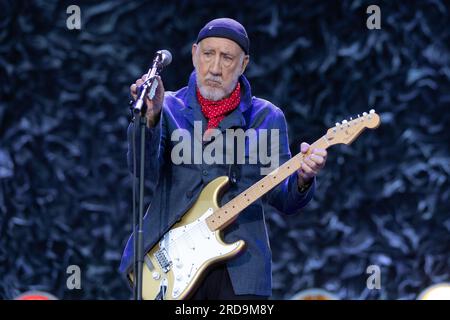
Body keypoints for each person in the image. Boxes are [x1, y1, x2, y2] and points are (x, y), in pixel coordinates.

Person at [119, 18, 327, 300]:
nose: (215, 68)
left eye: (227, 58)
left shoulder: (266, 118)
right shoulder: (167, 107)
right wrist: (150, 118)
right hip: (170, 263)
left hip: (241, 271)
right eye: (208, 54)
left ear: (243, 64)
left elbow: (285, 199)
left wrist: (303, 178)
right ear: (194, 55)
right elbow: (141, 169)